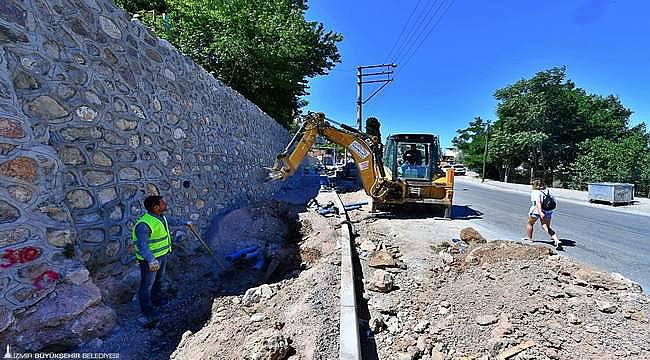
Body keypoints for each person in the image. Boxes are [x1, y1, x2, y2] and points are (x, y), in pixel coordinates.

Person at [132, 195, 193, 324]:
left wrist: (185, 223)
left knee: (159, 280)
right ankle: (147, 310)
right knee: (147, 284)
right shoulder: (144, 225)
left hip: (162, 255)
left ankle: (157, 300)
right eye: (162, 203)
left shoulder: (161, 217)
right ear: (155, 207)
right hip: (151, 260)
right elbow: (142, 245)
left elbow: (172, 221)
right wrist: (150, 260)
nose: (165, 204)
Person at [523, 178, 562, 250]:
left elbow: (538, 202)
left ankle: (529, 238)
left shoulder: (535, 192)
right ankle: (557, 240)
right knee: (546, 227)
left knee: (530, 223)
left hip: (537, 211)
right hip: (548, 211)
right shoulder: (548, 191)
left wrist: (540, 212)